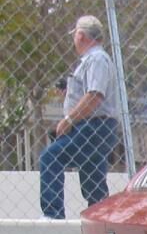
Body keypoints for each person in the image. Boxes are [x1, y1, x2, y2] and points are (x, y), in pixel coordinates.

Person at [39, 15, 120, 219]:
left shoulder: (96, 59)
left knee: (51, 157)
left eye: (75, 35)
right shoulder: (94, 60)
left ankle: (53, 214)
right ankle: (100, 216)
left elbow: (94, 95)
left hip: (93, 126)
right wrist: (70, 93)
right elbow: (90, 94)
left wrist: (69, 119)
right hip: (96, 127)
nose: (74, 40)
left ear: (81, 35)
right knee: (92, 174)